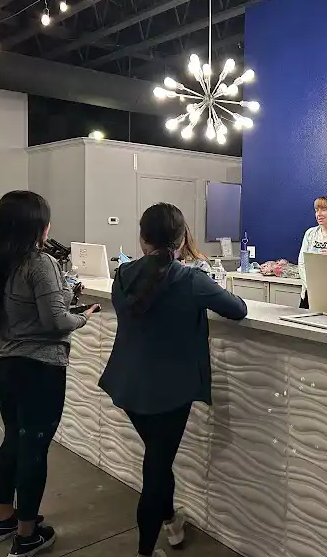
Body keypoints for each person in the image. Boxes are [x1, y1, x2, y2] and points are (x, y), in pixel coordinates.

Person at [99, 203, 247, 557]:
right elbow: (237, 309)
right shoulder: (190, 280)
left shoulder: (123, 275)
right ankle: (146, 551)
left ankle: (170, 521)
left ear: (142, 238)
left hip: (128, 385)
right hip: (169, 393)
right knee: (157, 466)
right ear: (181, 240)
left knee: (158, 458)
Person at [0, 190, 98, 557]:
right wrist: (84, 316)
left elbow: (27, 312)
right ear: (37, 225)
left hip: (3, 363)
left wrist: (63, 297)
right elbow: (56, 322)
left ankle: (3, 518)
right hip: (39, 367)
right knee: (34, 448)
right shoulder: (40, 262)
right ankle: (27, 535)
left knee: (13, 439)